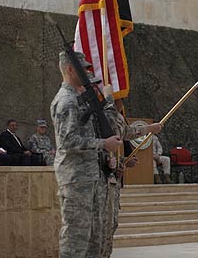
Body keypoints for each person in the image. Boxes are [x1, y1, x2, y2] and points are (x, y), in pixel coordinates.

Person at [50, 51, 122, 258]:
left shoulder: (80, 100)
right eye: (83, 69)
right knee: (76, 238)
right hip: (76, 179)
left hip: (91, 178)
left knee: (93, 238)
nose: (87, 73)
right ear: (70, 69)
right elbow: (67, 142)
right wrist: (103, 144)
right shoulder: (66, 101)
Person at [102, 86, 162, 258]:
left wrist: (150, 129)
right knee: (103, 226)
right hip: (103, 182)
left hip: (114, 179)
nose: (121, 105)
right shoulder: (106, 118)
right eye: (119, 100)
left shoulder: (116, 120)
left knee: (111, 225)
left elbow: (127, 132)